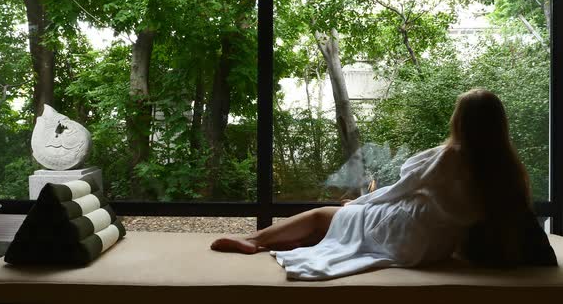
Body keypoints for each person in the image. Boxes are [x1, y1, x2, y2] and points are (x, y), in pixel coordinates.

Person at [210, 88, 540, 280]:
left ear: (460, 119)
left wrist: (361, 203)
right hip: (434, 247)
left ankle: (253, 239)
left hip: (407, 235)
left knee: (324, 215)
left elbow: (400, 188)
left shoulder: (450, 155)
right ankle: (287, 243)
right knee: (345, 224)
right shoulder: (506, 168)